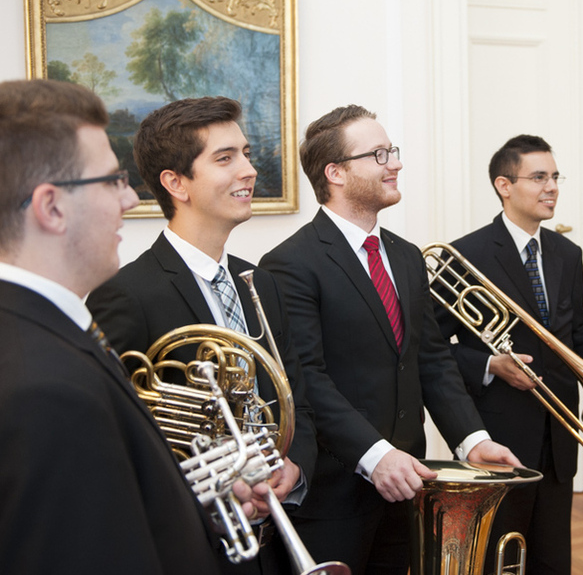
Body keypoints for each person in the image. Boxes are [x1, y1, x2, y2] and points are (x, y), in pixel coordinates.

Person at [259, 104, 521, 574]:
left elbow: (432, 360)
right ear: (335, 172)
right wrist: (377, 456)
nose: (395, 163)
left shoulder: (404, 256)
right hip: (334, 494)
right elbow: (308, 382)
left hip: (408, 486)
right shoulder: (289, 264)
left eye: (392, 151)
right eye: (379, 154)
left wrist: (472, 439)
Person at [0, 79, 246, 573]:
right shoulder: (43, 390)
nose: (130, 200)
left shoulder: (43, 334)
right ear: (51, 207)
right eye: (111, 181)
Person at [86, 96, 318, 575]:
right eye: (225, 158)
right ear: (176, 184)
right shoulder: (124, 295)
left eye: (247, 154)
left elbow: (296, 398)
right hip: (192, 546)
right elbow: (120, 438)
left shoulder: (261, 282)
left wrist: (294, 469)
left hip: (273, 539)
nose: (249, 170)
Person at [435, 134, 583, 574]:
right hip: (501, 431)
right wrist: (489, 365)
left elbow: (575, 331)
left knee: (551, 556)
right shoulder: (466, 253)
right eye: (539, 177)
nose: (552, 188)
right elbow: (432, 348)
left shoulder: (567, 252)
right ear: (504, 185)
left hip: (559, 428)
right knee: (499, 554)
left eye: (556, 177)